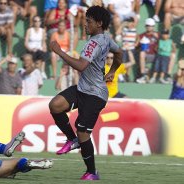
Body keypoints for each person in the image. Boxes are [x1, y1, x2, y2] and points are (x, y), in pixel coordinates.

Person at [49, 6, 122, 180]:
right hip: (82, 88)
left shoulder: (94, 42)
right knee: (55, 105)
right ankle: (71, 139)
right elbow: (119, 53)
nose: (85, 24)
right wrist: (113, 70)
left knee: (83, 132)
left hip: (95, 95)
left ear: (99, 23)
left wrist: (59, 52)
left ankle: (92, 172)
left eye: (88, 21)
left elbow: (81, 66)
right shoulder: (106, 38)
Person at [136, 18, 159, 83]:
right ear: (145, 26)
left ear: (153, 26)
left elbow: (164, 44)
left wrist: (157, 38)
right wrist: (138, 41)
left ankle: (154, 77)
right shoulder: (141, 35)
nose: (149, 27)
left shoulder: (157, 35)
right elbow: (136, 47)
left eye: (151, 26)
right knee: (142, 53)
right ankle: (143, 75)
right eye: (148, 25)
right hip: (145, 56)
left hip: (155, 55)